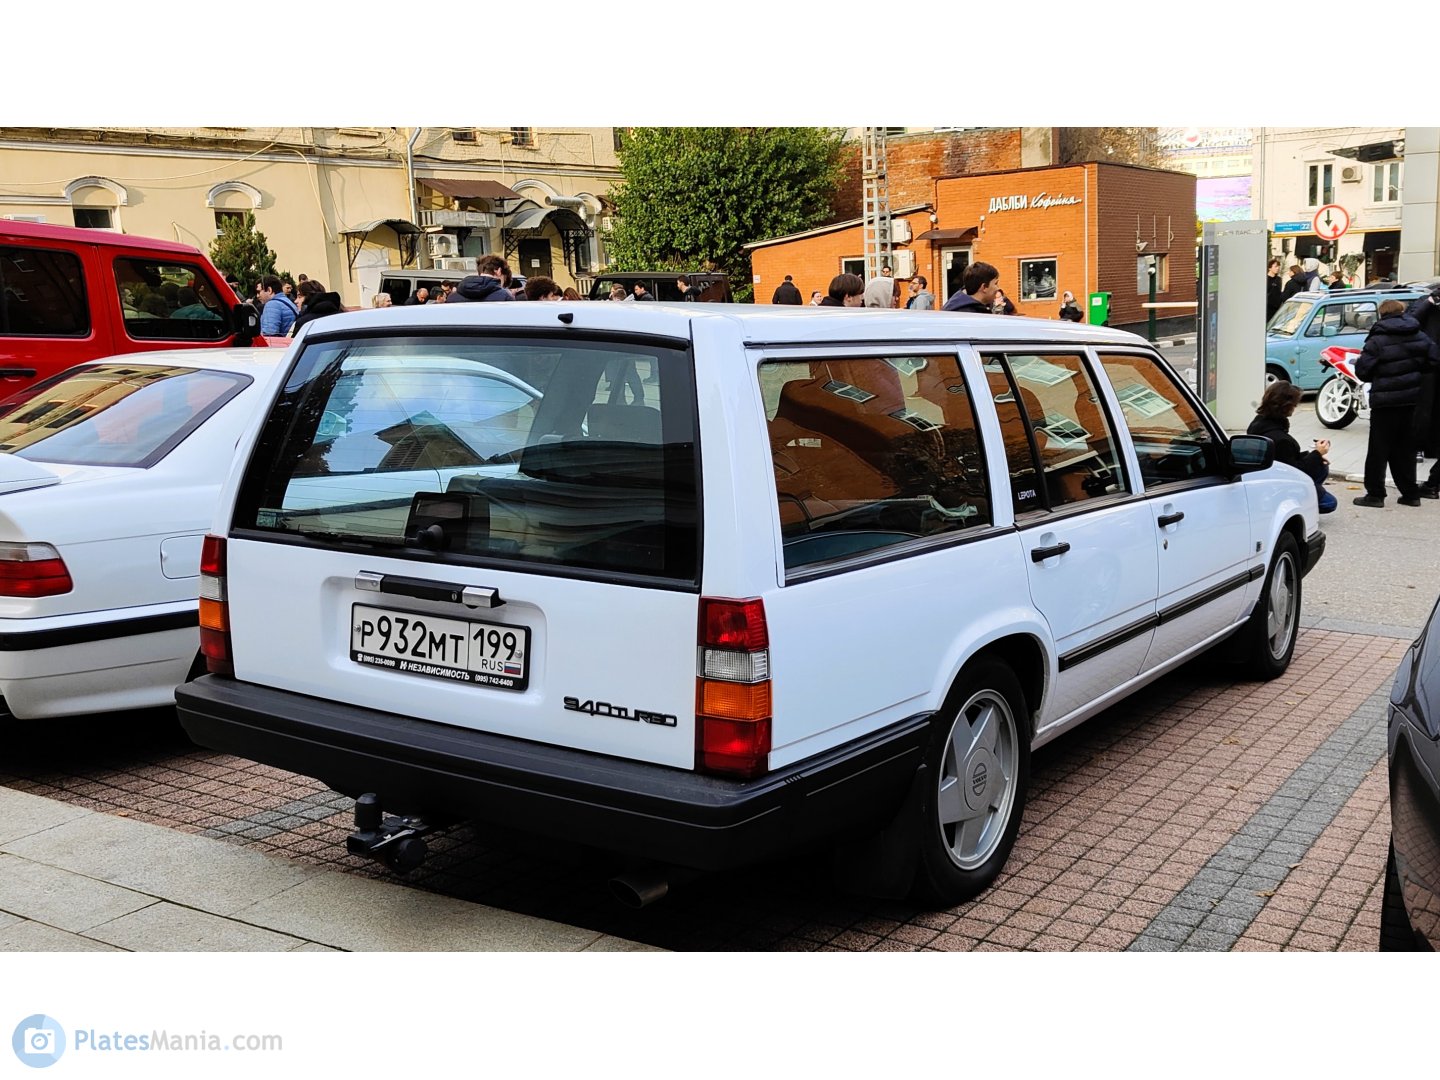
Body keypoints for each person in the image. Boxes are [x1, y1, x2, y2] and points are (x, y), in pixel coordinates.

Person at [1352, 299, 1439, 507]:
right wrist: (1417, 372)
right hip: (1410, 401)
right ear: (1402, 313)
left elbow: (1363, 371)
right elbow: (1434, 360)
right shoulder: (1419, 335)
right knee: (1405, 450)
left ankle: (1375, 494)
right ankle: (1410, 495)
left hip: (1384, 402)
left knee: (1378, 450)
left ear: (1381, 315)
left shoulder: (1377, 339)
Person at [1247, 382, 1336, 513]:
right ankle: (1297, 503)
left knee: (1322, 465)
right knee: (1330, 503)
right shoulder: (1280, 439)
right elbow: (1295, 470)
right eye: (1294, 405)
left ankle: (1308, 494)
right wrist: (1317, 453)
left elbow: (1286, 459)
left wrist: (1314, 455)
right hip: (1281, 482)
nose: (1295, 408)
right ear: (1287, 406)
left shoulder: (1259, 423)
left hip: (1270, 473)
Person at [1407, 285, 1440, 498]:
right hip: (1427, 367)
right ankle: (1418, 447)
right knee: (1423, 410)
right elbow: (1411, 321)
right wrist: (1430, 302)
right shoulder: (1426, 302)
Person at [447, 255, 513, 302]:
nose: (502, 286)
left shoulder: (452, 298)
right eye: (503, 281)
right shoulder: (505, 297)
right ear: (498, 271)